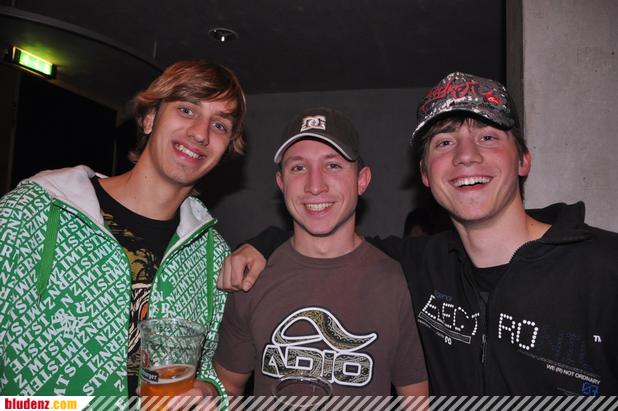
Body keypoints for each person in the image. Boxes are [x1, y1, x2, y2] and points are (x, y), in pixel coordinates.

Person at [217, 73, 618, 395]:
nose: (466, 156)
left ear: (524, 160)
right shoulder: (420, 265)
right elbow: (327, 244)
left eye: (488, 136)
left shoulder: (604, 270)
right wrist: (262, 243)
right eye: (445, 142)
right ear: (425, 174)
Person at [0, 60, 246, 400]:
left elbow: (212, 372)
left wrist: (209, 392)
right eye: (187, 110)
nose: (201, 133)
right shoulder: (33, 212)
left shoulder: (213, 255)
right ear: (149, 118)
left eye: (219, 125)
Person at [213, 107, 428, 397]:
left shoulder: (398, 282)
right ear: (281, 183)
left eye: (333, 165)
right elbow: (227, 388)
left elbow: (416, 399)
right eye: (298, 168)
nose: (315, 186)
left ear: (361, 180)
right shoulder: (250, 276)